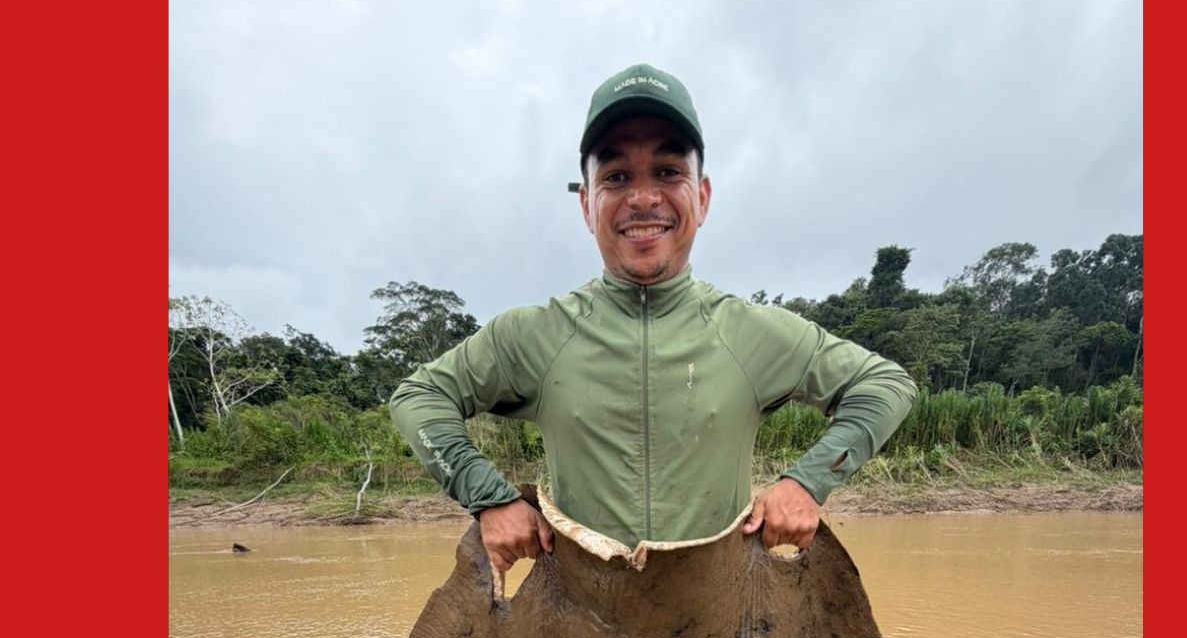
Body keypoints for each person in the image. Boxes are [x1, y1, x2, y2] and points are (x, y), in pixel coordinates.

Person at [389, 63, 917, 578]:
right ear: (586, 204)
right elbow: (419, 397)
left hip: (720, 629)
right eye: (617, 177)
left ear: (702, 197)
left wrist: (808, 482)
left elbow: (885, 384)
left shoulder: (751, 333)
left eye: (668, 172)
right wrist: (488, 497)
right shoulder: (534, 335)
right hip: (578, 629)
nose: (643, 198)